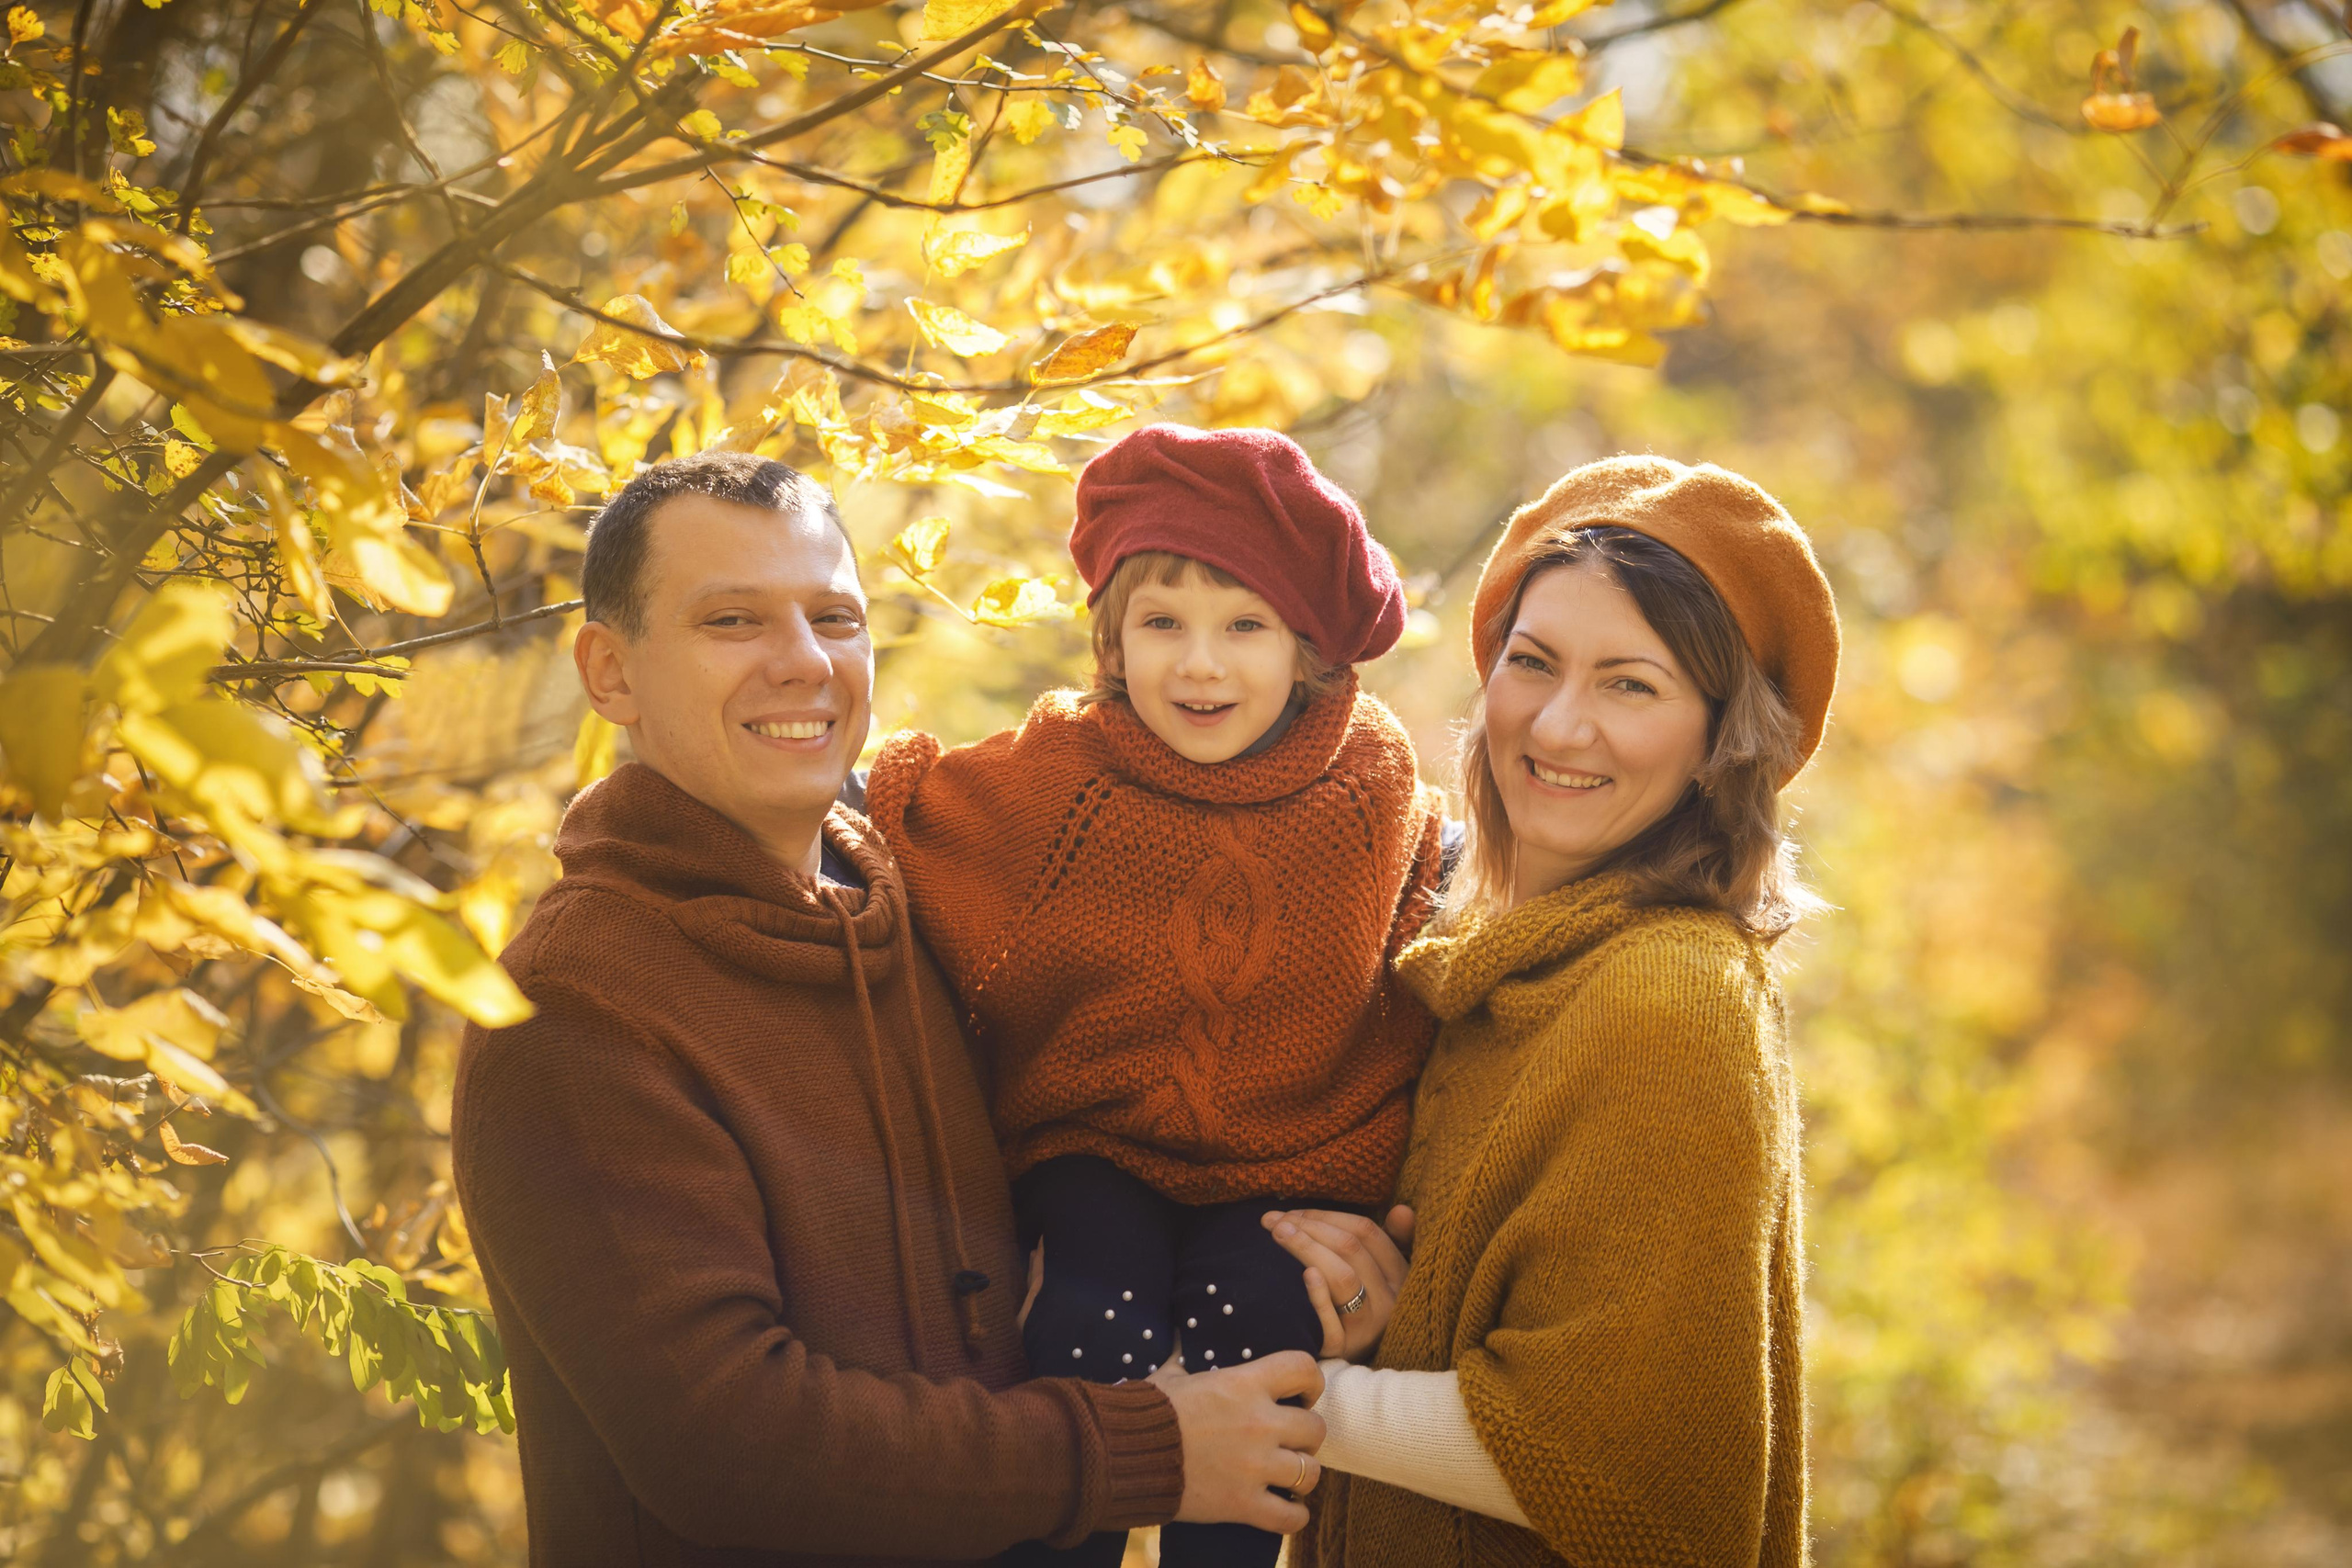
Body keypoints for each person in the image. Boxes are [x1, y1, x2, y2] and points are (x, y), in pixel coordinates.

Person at [448, 450, 1328, 1568]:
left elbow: (1126, 1137)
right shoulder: (575, 1007)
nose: (803, 661)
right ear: (610, 672)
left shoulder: (939, 911)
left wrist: (1314, 1242)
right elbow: (731, 1447)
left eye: (834, 618)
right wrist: (1139, 1448)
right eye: (732, 621)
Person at [863, 425, 1444, 1568]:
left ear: (1308, 648)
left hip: (1293, 1160)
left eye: (1245, 627)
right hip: (1093, 1141)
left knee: (1260, 1333)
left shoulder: (1368, 786)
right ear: (1112, 640)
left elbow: (1429, 928)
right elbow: (915, 821)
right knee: (1090, 1320)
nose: (1200, 666)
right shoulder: (1065, 778)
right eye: (1161, 623)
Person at [1271, 455, 1838, 1567]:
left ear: (1721, 738)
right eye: (1532, 664)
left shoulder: (1670, 998)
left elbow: (1617, 1462)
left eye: (1630, 685)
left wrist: (1248, 1384)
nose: (1561, 726)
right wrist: (1385, 1321)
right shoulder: (1474, 963)